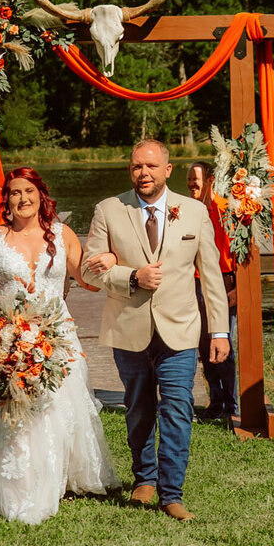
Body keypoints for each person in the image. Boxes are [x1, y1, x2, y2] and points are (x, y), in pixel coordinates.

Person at [0, 167, 119, 524]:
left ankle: (58, 474)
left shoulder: (63, 235)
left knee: (58, 406)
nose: (22, 198)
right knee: (14, 410)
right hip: (6, 337)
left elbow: (88, 280)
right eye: (14, 192)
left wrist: (110, 259)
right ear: (6, 201)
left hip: (59, 335)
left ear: (41, 195)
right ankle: (19, 480)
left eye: (28, 191)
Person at [83, 140, 229, 521]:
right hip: (128, 328)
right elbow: (87, 271)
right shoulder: (108, 210)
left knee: (178, 408)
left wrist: (219, 332)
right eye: (135, 167)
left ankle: (172, 493)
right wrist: (131, 276)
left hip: (180, 330)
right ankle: (143, 480)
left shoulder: (196, 212)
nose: (143, 173)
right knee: (138, 408)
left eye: (150, 166)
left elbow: (211, 276)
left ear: (167, 169)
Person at [187, 161, 238, 421]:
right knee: (204, 345)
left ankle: (231, 404)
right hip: (197, 282)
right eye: (188, 181)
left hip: (224, 281)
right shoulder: (191, 210)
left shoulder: (225, 210)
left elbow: (241, 251)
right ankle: (215, 402)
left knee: (223, 343)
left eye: (195, 180)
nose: (191, 185)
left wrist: (238, 289)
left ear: (210, 180)